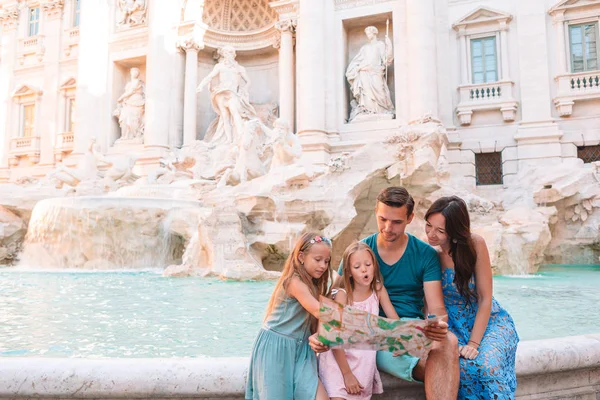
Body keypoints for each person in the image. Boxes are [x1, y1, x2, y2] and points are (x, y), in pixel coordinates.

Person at [310, 186, 460, 400]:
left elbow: (436, 309)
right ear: (375, 212)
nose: (388, 228)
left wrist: (437, 325)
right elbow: (334, 306)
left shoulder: (425, 254)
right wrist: (319, 334)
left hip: (408, 327)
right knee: (446, 370)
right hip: (372, 336)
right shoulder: (358, 254)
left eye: (397, 222)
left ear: (410, 218)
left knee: (449, 341)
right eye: (383, 219)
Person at [425, 196, 519, 399]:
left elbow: (486, 297)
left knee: (487, 365)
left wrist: (474, 343)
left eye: (440, 231)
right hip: (451, 325)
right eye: (428, 226)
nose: (431, 234)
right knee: (463, 370)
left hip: (487, 320)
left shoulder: (475, 244)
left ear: (455, 231)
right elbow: (428, 304)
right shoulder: (429, 253)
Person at [245, 232, 332, 400]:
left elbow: (316, 322)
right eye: (318, 259)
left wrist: (322, 337)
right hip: (276, 347)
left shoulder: (316, 286)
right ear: (301, 257)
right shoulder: (294, 282)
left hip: (302, 351)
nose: (323, 265)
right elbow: (319, 311)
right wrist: (356, 321)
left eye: (326, 261)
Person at [319, 242, 400, 400]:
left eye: (368, 264)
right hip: (338, 360)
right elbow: (334, 338)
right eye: (357, 267)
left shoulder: (378, 290)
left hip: (363, 359)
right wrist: (347, 374)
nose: (364, 269)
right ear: (349, 272)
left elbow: (394, 319)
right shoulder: (343, 296)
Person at [345, 26, 394, 122]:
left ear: (374, 33)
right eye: (367, 34)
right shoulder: (364, 48)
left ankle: (382, 110)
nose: (368, 36)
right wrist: (357, 68)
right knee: (366, 93)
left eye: (369, 33)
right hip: (364, 72)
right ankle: (368, 111)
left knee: (380, 90)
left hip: (376, 72)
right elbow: (357, 61)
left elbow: (386, 60)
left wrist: (389, 46)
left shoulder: (380, 44)